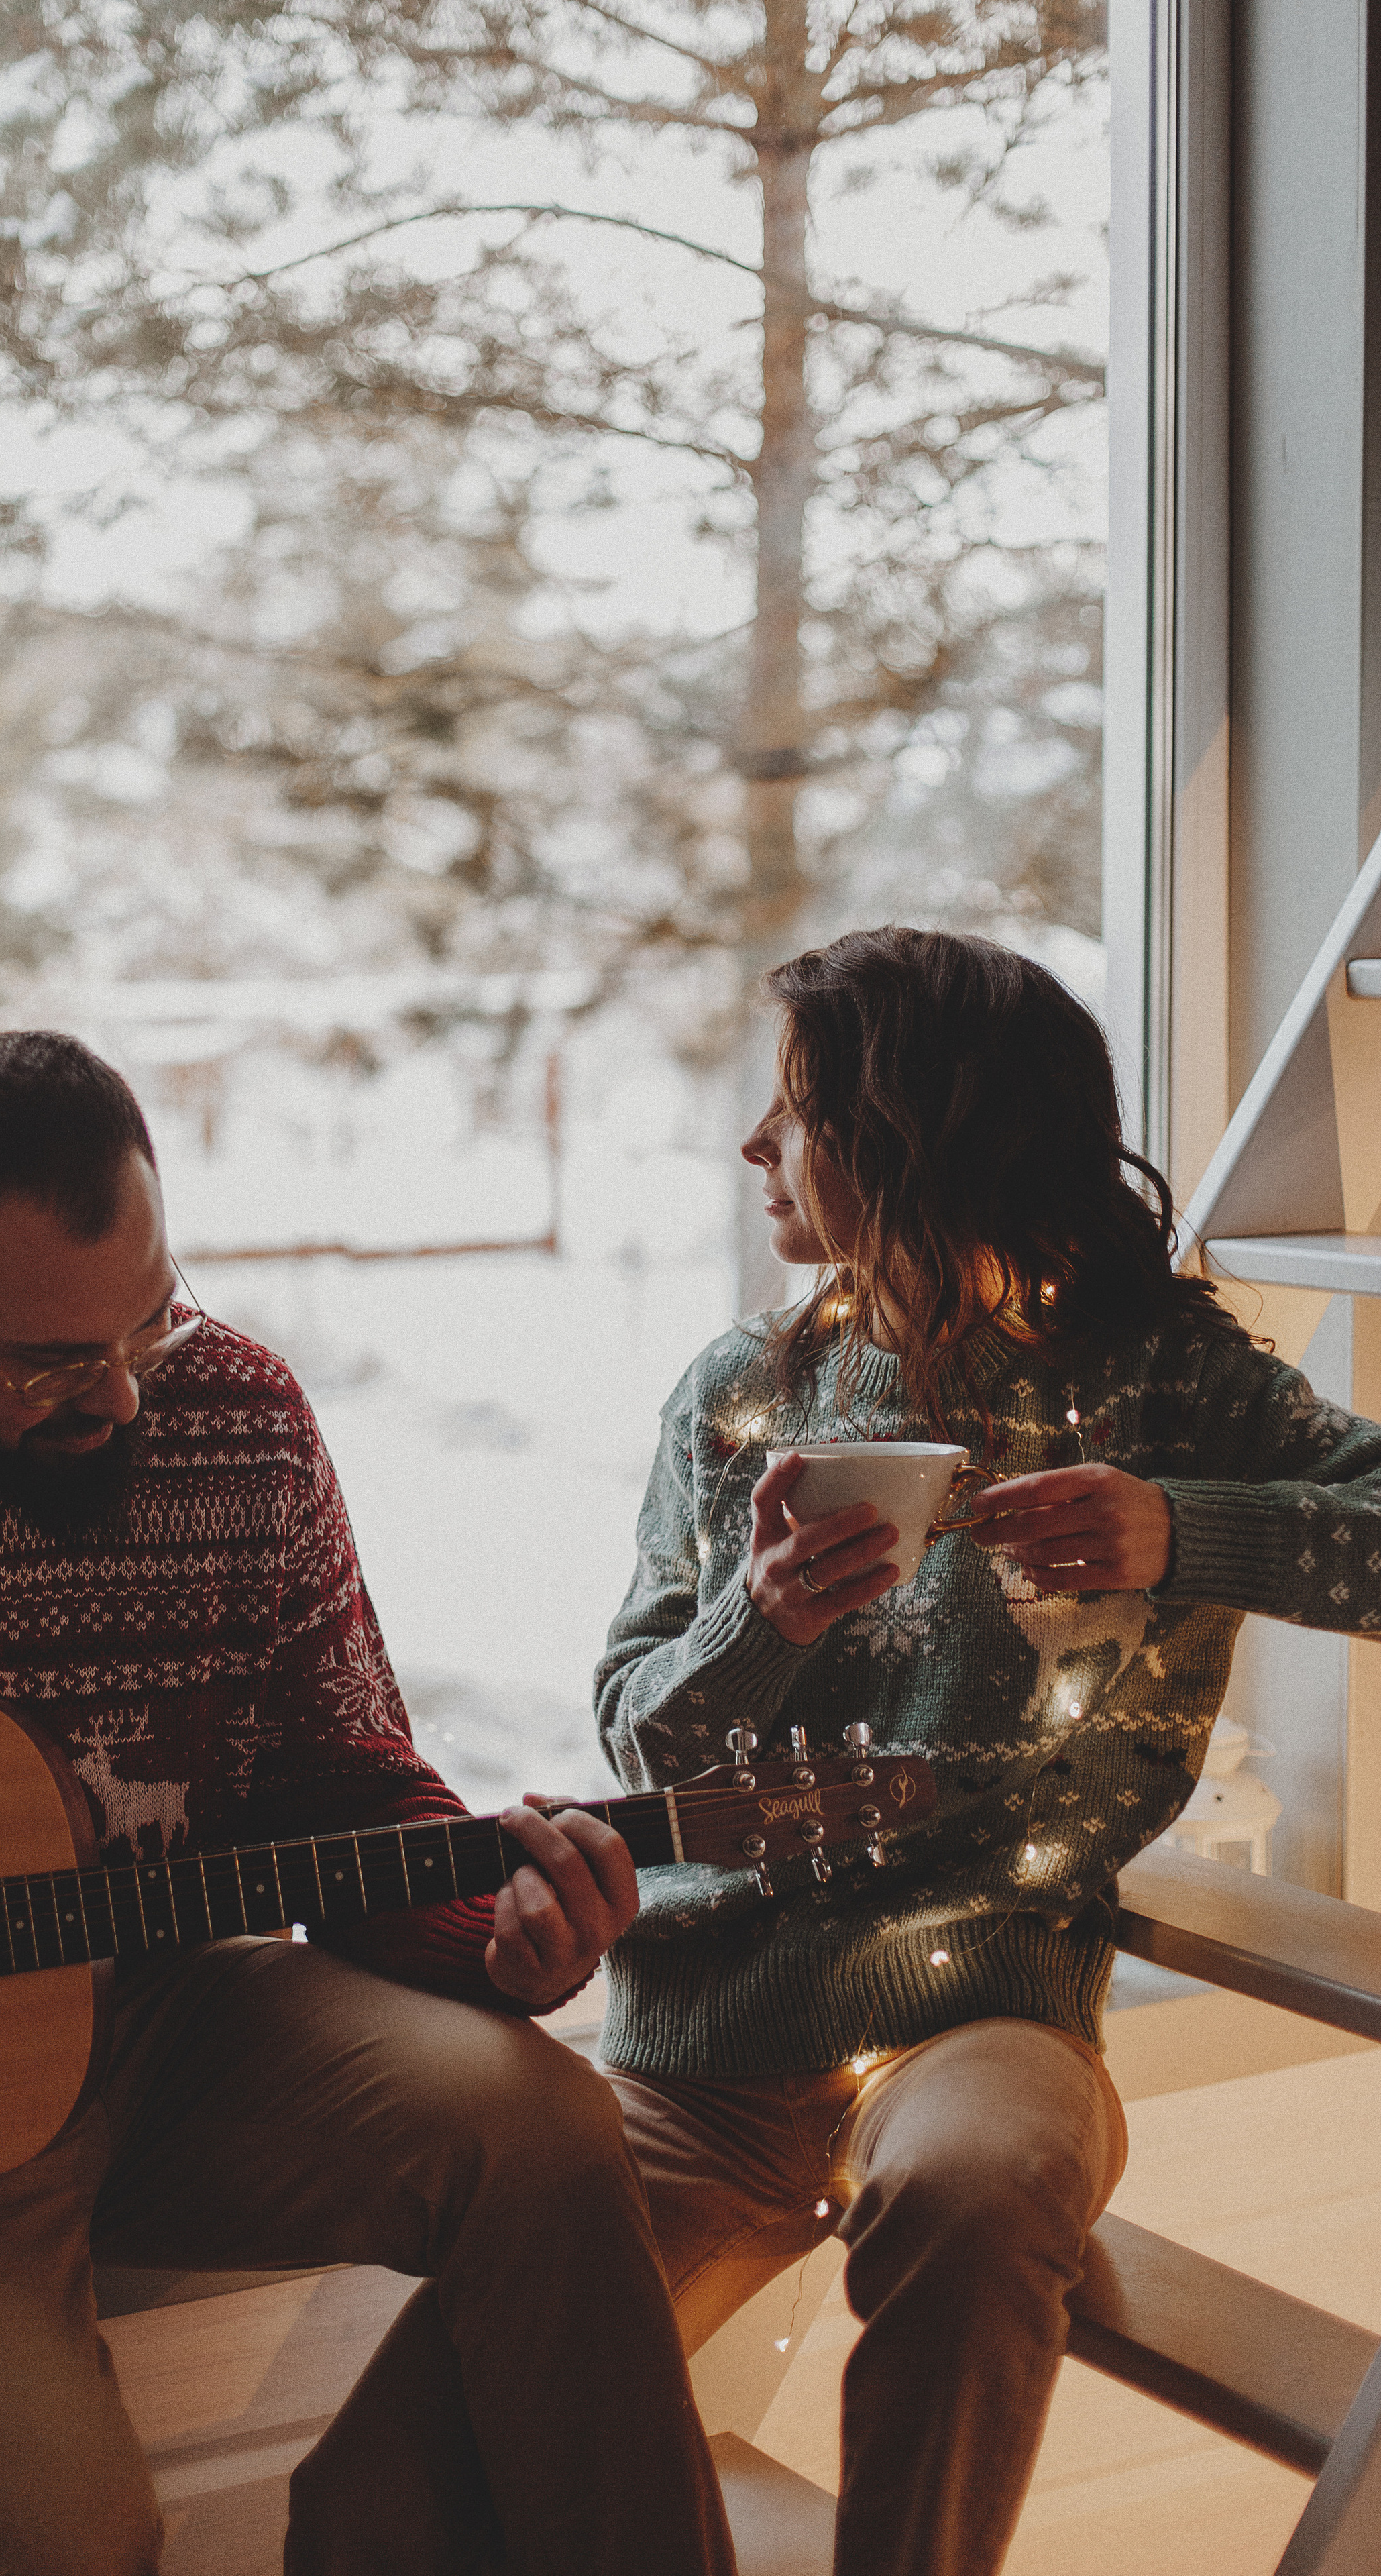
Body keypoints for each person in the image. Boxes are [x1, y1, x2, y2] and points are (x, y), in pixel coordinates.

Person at [0, 1030, 735, 2576]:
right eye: (47, 1362)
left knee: (546, 2126)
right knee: (69, 2534)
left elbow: (338, 1778)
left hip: (162, 2019)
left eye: (146, 1320)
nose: (115, 1395)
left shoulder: (233, 1415)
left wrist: (498, 1937)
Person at [590, 924, 1381, 2576]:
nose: (754, 1145)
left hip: (985, 2002)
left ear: (906, 1139)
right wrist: (764, 1623)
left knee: (980, 2184)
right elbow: (634, 1734)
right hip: (705, 2033)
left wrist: (1182, 1531)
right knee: (393, 2476)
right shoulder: (743, 1387)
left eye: (792, 1109)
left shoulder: (1162, 1377)